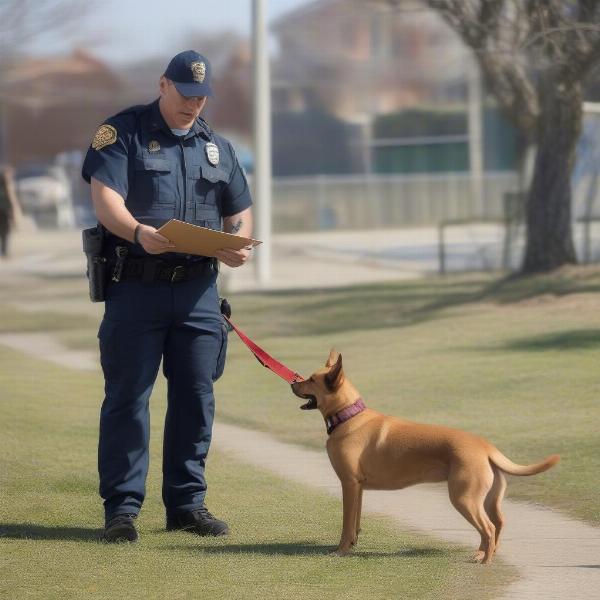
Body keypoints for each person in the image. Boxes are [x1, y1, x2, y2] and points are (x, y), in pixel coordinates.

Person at [81, 50, 253, 543]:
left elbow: (238, 208)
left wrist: (235, 243)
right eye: (185, 93)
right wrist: (137, 232)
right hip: (136, 286)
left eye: (201, 97)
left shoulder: (216, 146)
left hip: (199, 291)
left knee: (197, 398)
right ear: (163, 85)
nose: (193, 104)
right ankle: (121, 510)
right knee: (128, 398)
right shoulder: (123, 133)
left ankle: (187, 504)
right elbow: (104, 196)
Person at [0, 166, 21, 258]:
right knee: (5, 231)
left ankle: (4, 251)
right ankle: (4, 251)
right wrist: (16, 211)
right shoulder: (7, 185)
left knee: (4, 231)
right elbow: (11, 198)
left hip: (4, 210)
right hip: (4, 210)